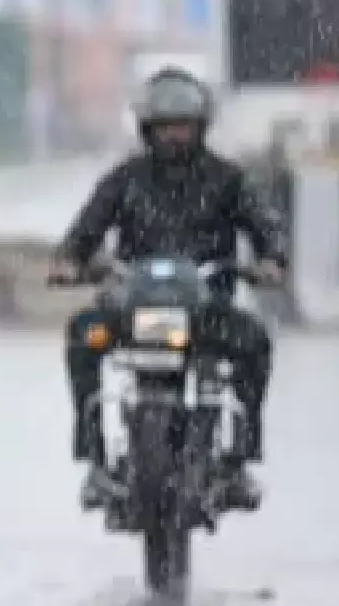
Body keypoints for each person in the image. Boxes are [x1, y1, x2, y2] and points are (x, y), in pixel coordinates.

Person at [49, 67, 285, 512]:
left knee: (254, 342)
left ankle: (238, 461)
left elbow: (266, 226)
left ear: (201, 127)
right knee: (83, 335)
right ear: (147, 130)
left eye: (184, 126)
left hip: (206, 310)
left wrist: (271, 260)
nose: (175, 136)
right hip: (131, 310)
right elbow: (84, 232)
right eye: (165, 127)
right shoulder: (124, 180)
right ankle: (95, 457)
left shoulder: (228, 180)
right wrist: (69, 262)